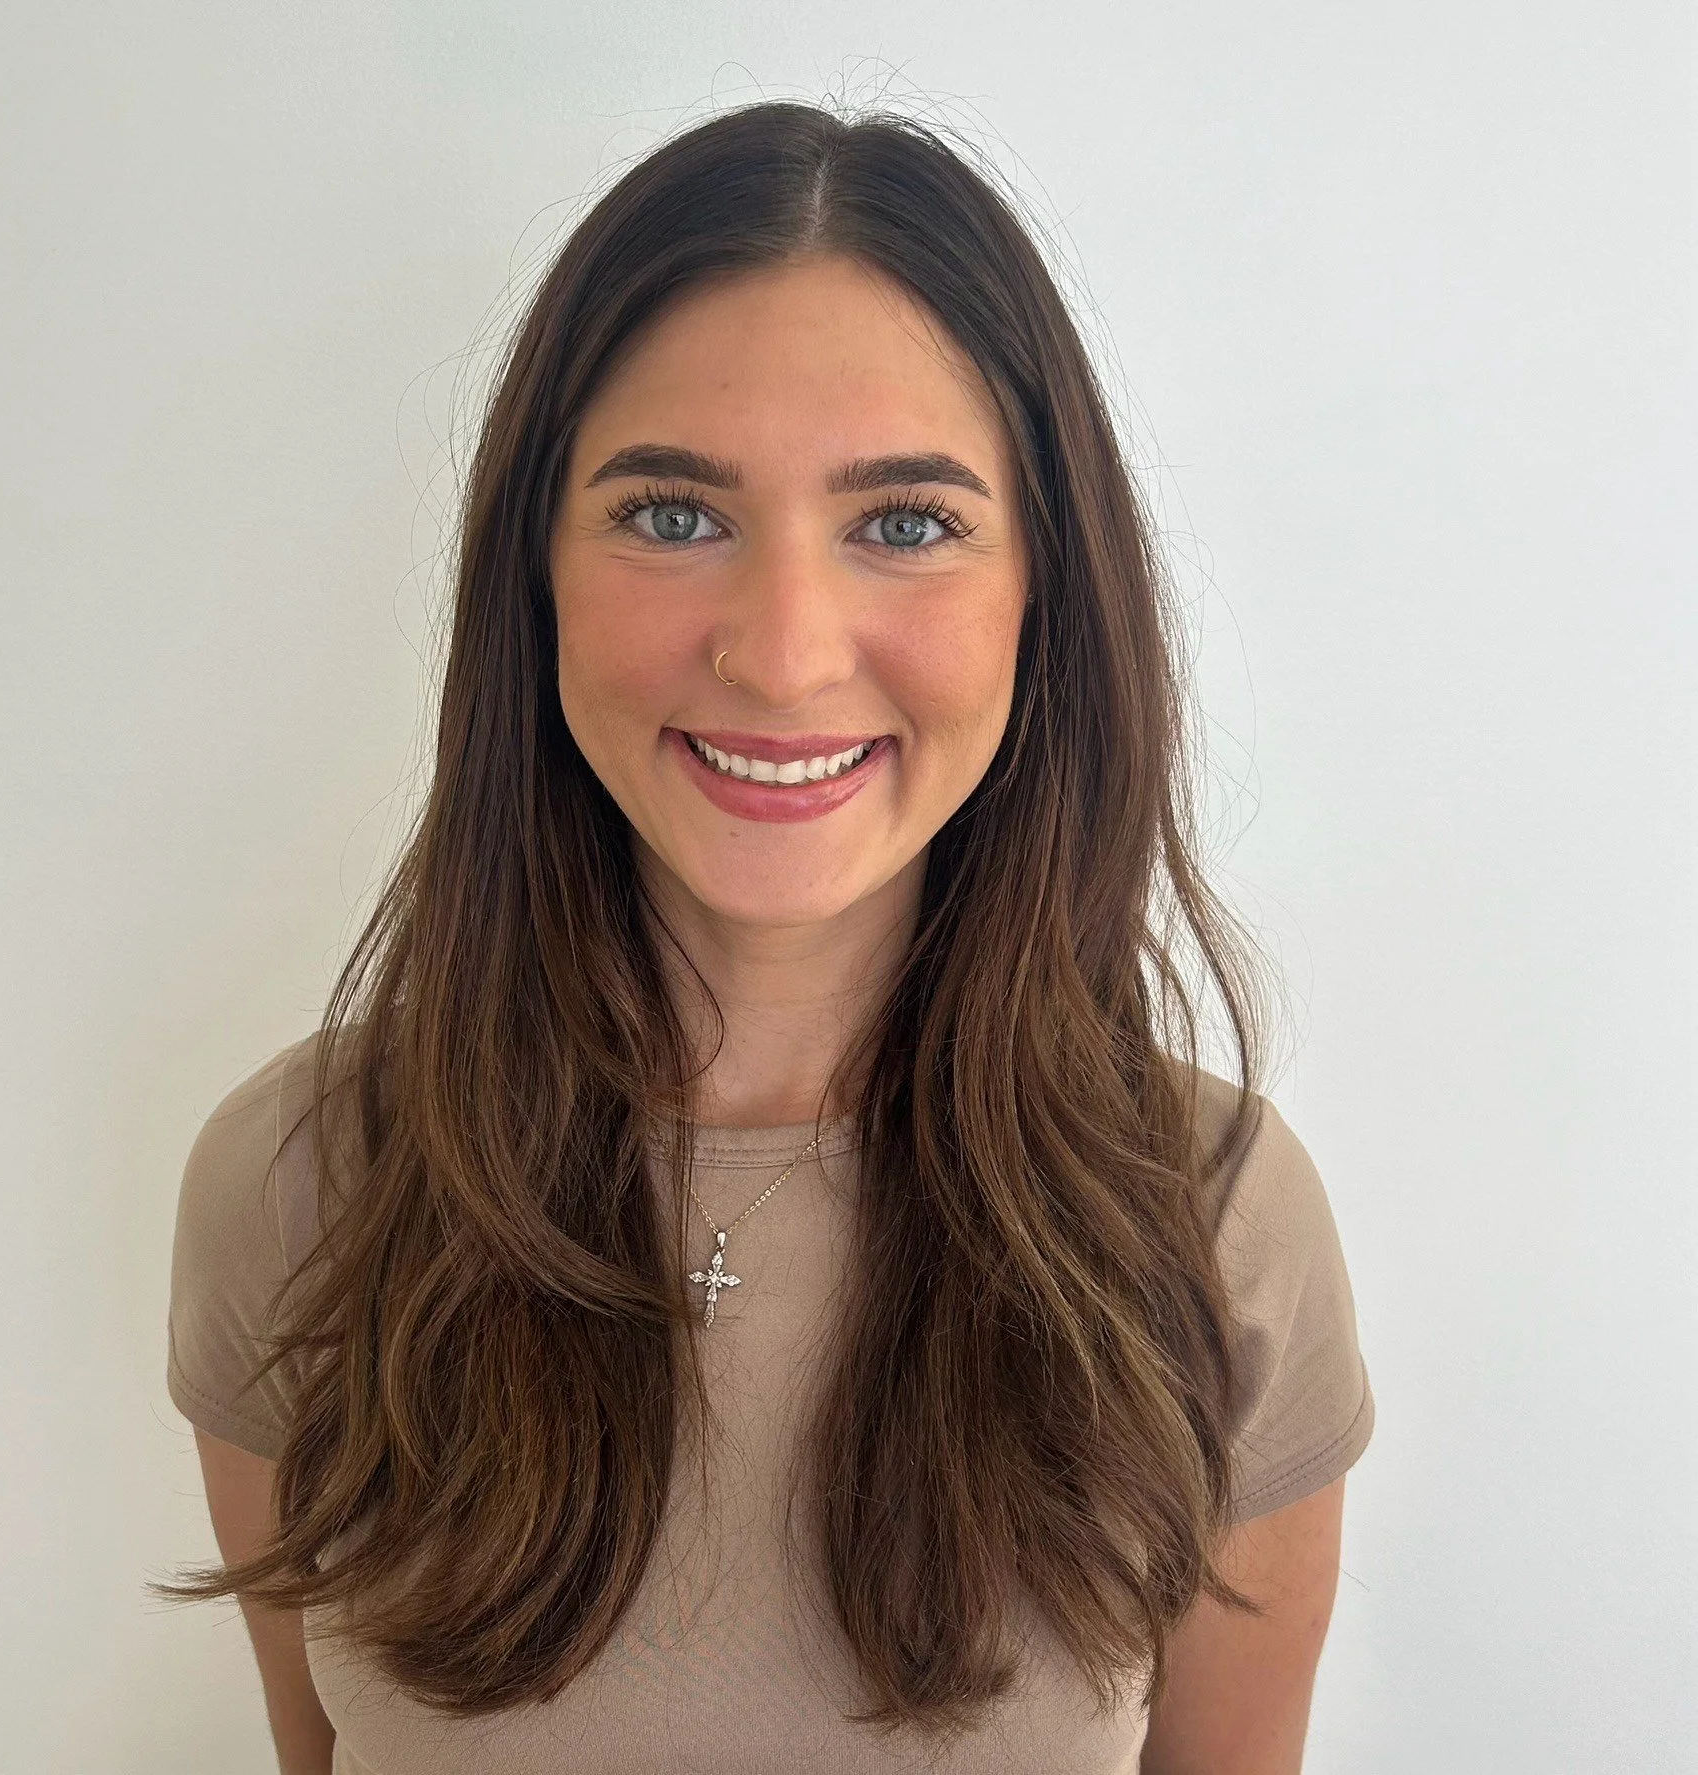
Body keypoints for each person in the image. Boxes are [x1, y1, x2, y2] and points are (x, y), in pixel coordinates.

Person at [155, 100, 1373, 1775]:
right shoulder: (302, 1181)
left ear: (1043, 592)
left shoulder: (1215, 1223)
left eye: (903, 521)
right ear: (537, 577)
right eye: (671, 513)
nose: (786, 654)